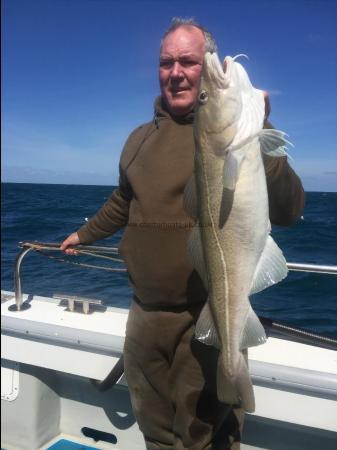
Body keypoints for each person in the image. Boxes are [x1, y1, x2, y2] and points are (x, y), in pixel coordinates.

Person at [61, 18, 305, 450]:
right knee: (154, 432)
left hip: (203, 316)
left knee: (205, 438)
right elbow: (122, 200)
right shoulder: (138, 139)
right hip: (143, 319)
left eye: (189, 61)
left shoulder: (236, 136)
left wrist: (261, 133)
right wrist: (83, 234)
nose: (176, 72)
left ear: (205, 65)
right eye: (166, 62)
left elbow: (288, 210)